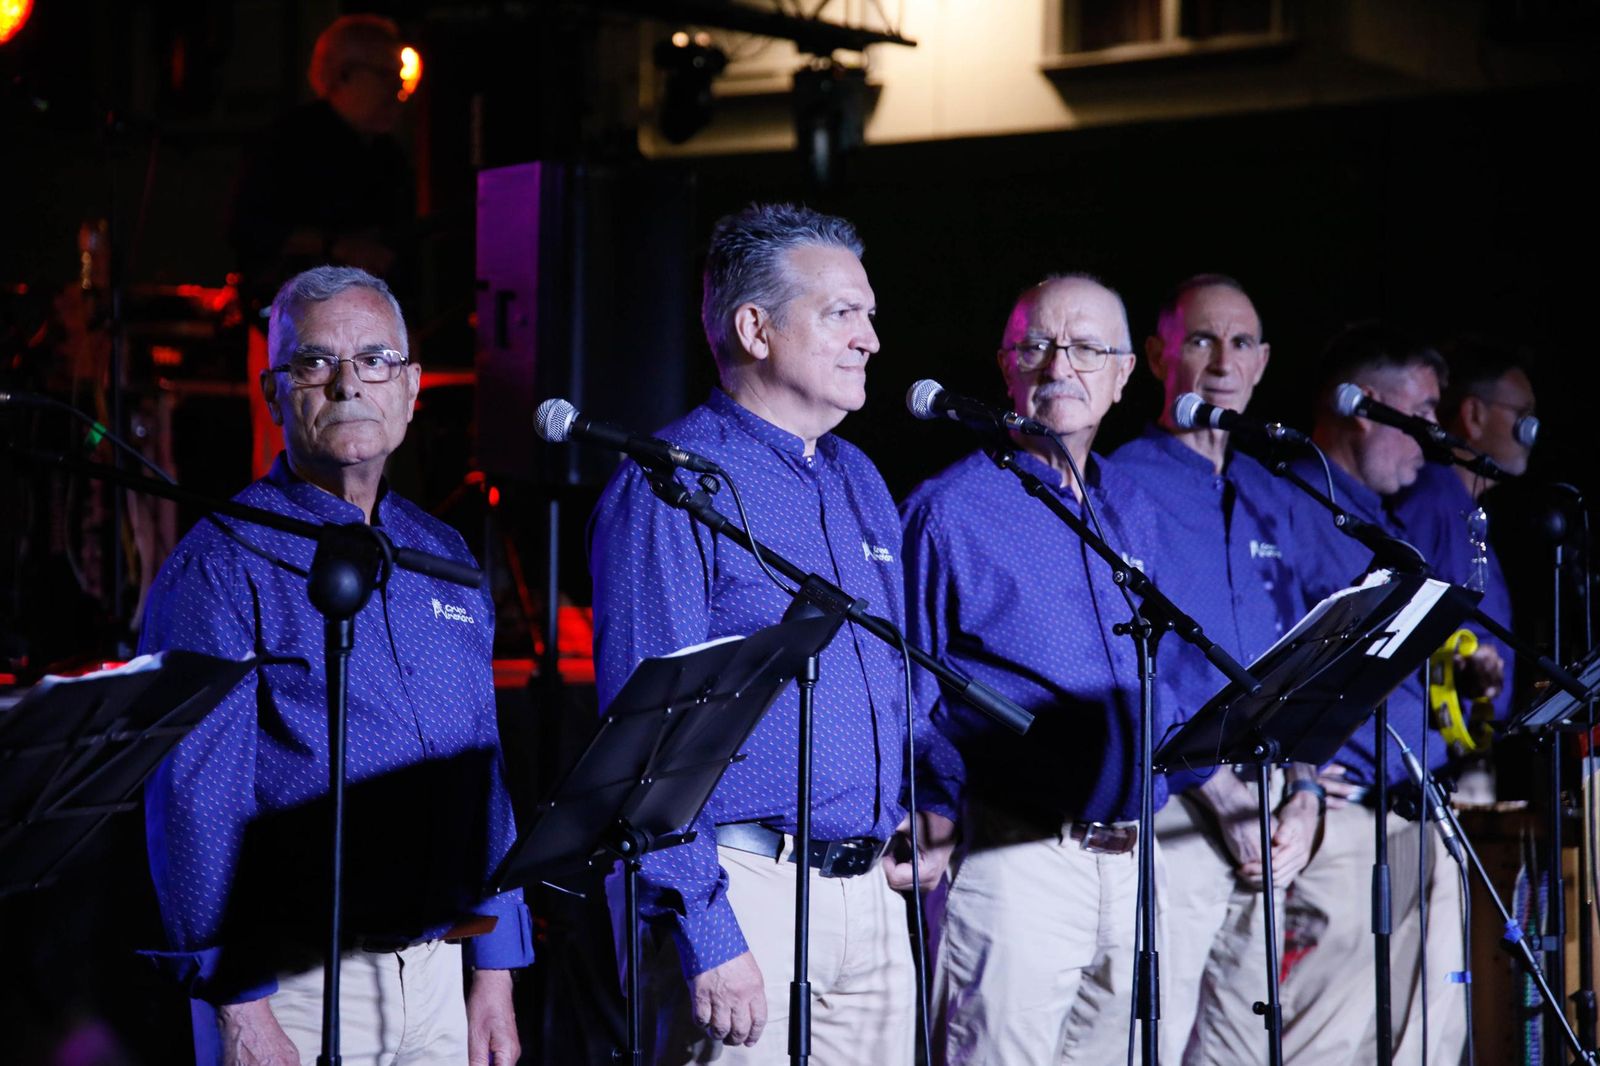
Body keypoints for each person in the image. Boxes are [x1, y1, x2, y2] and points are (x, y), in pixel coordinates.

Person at [588, 203, 954, 1066]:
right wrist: (706, 930)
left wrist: (933, 795)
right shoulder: (673, 484)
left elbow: (903, 671)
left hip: (870, 894)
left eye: (870, 315)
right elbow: (646, 741)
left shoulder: (860, 475)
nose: (870, 339)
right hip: (742, 888)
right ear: (754, 327)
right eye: (842, 315)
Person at [140, 266, 531, 1066]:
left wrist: (495, 972)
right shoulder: (223, 562)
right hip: (295, 983)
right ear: (273, 389)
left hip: (438, 974)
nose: (349, 382)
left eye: (377, 359)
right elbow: (194, 799)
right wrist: (239, 1007)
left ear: (413, 386)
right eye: (315, 362)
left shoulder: (443, 553)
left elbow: (481, 772)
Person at [901, 274, 1171, 1065]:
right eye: (1037, 345)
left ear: (1124, 376)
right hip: (1012, 859)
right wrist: (937, 802)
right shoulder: (950, 508)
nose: (1061, 363)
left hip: (1132, 859)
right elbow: (908, 680)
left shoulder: (1132, 505)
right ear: (1006, 366)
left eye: (1088, 347)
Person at [1112, 275, 1322, 1064]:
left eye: (1240, 343)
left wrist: (1302, 798)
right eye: (1201, 339)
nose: (1221, 361)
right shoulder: (1120, 481)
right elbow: (1124, 664)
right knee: (1150, 1042)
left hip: (1267, 819)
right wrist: (1220, 792)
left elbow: (1303, 658)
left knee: (1243, 1048)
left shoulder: (1276, 492)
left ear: (1263, 361)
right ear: (1162, 354)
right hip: (1177, 811)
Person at [1278, 323, 1482, 1066]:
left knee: (1428, 1040)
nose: (1434, 434)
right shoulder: (1288, 499)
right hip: (1347, 829)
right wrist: (1294, 777)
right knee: (1331, 1047)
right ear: (1362, 405)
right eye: (1423, 412)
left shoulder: (1381, 517)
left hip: (1416, 813)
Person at [231, 13, 418, 478]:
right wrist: (339, 246)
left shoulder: (389, 159)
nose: (398, 91)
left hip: (369, 347)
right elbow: (249, 229)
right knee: (295, 459)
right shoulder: (287, 142)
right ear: (342, 76)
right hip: (292, 338)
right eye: (387, 77)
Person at [1390, 338, 1531, 725]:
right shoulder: (1431, 499)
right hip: (1425, 756)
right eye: (1523, 414)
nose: (1532, 431)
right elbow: (1392, 619)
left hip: (1463, 753)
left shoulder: (1465, 506)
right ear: (1474, 415)